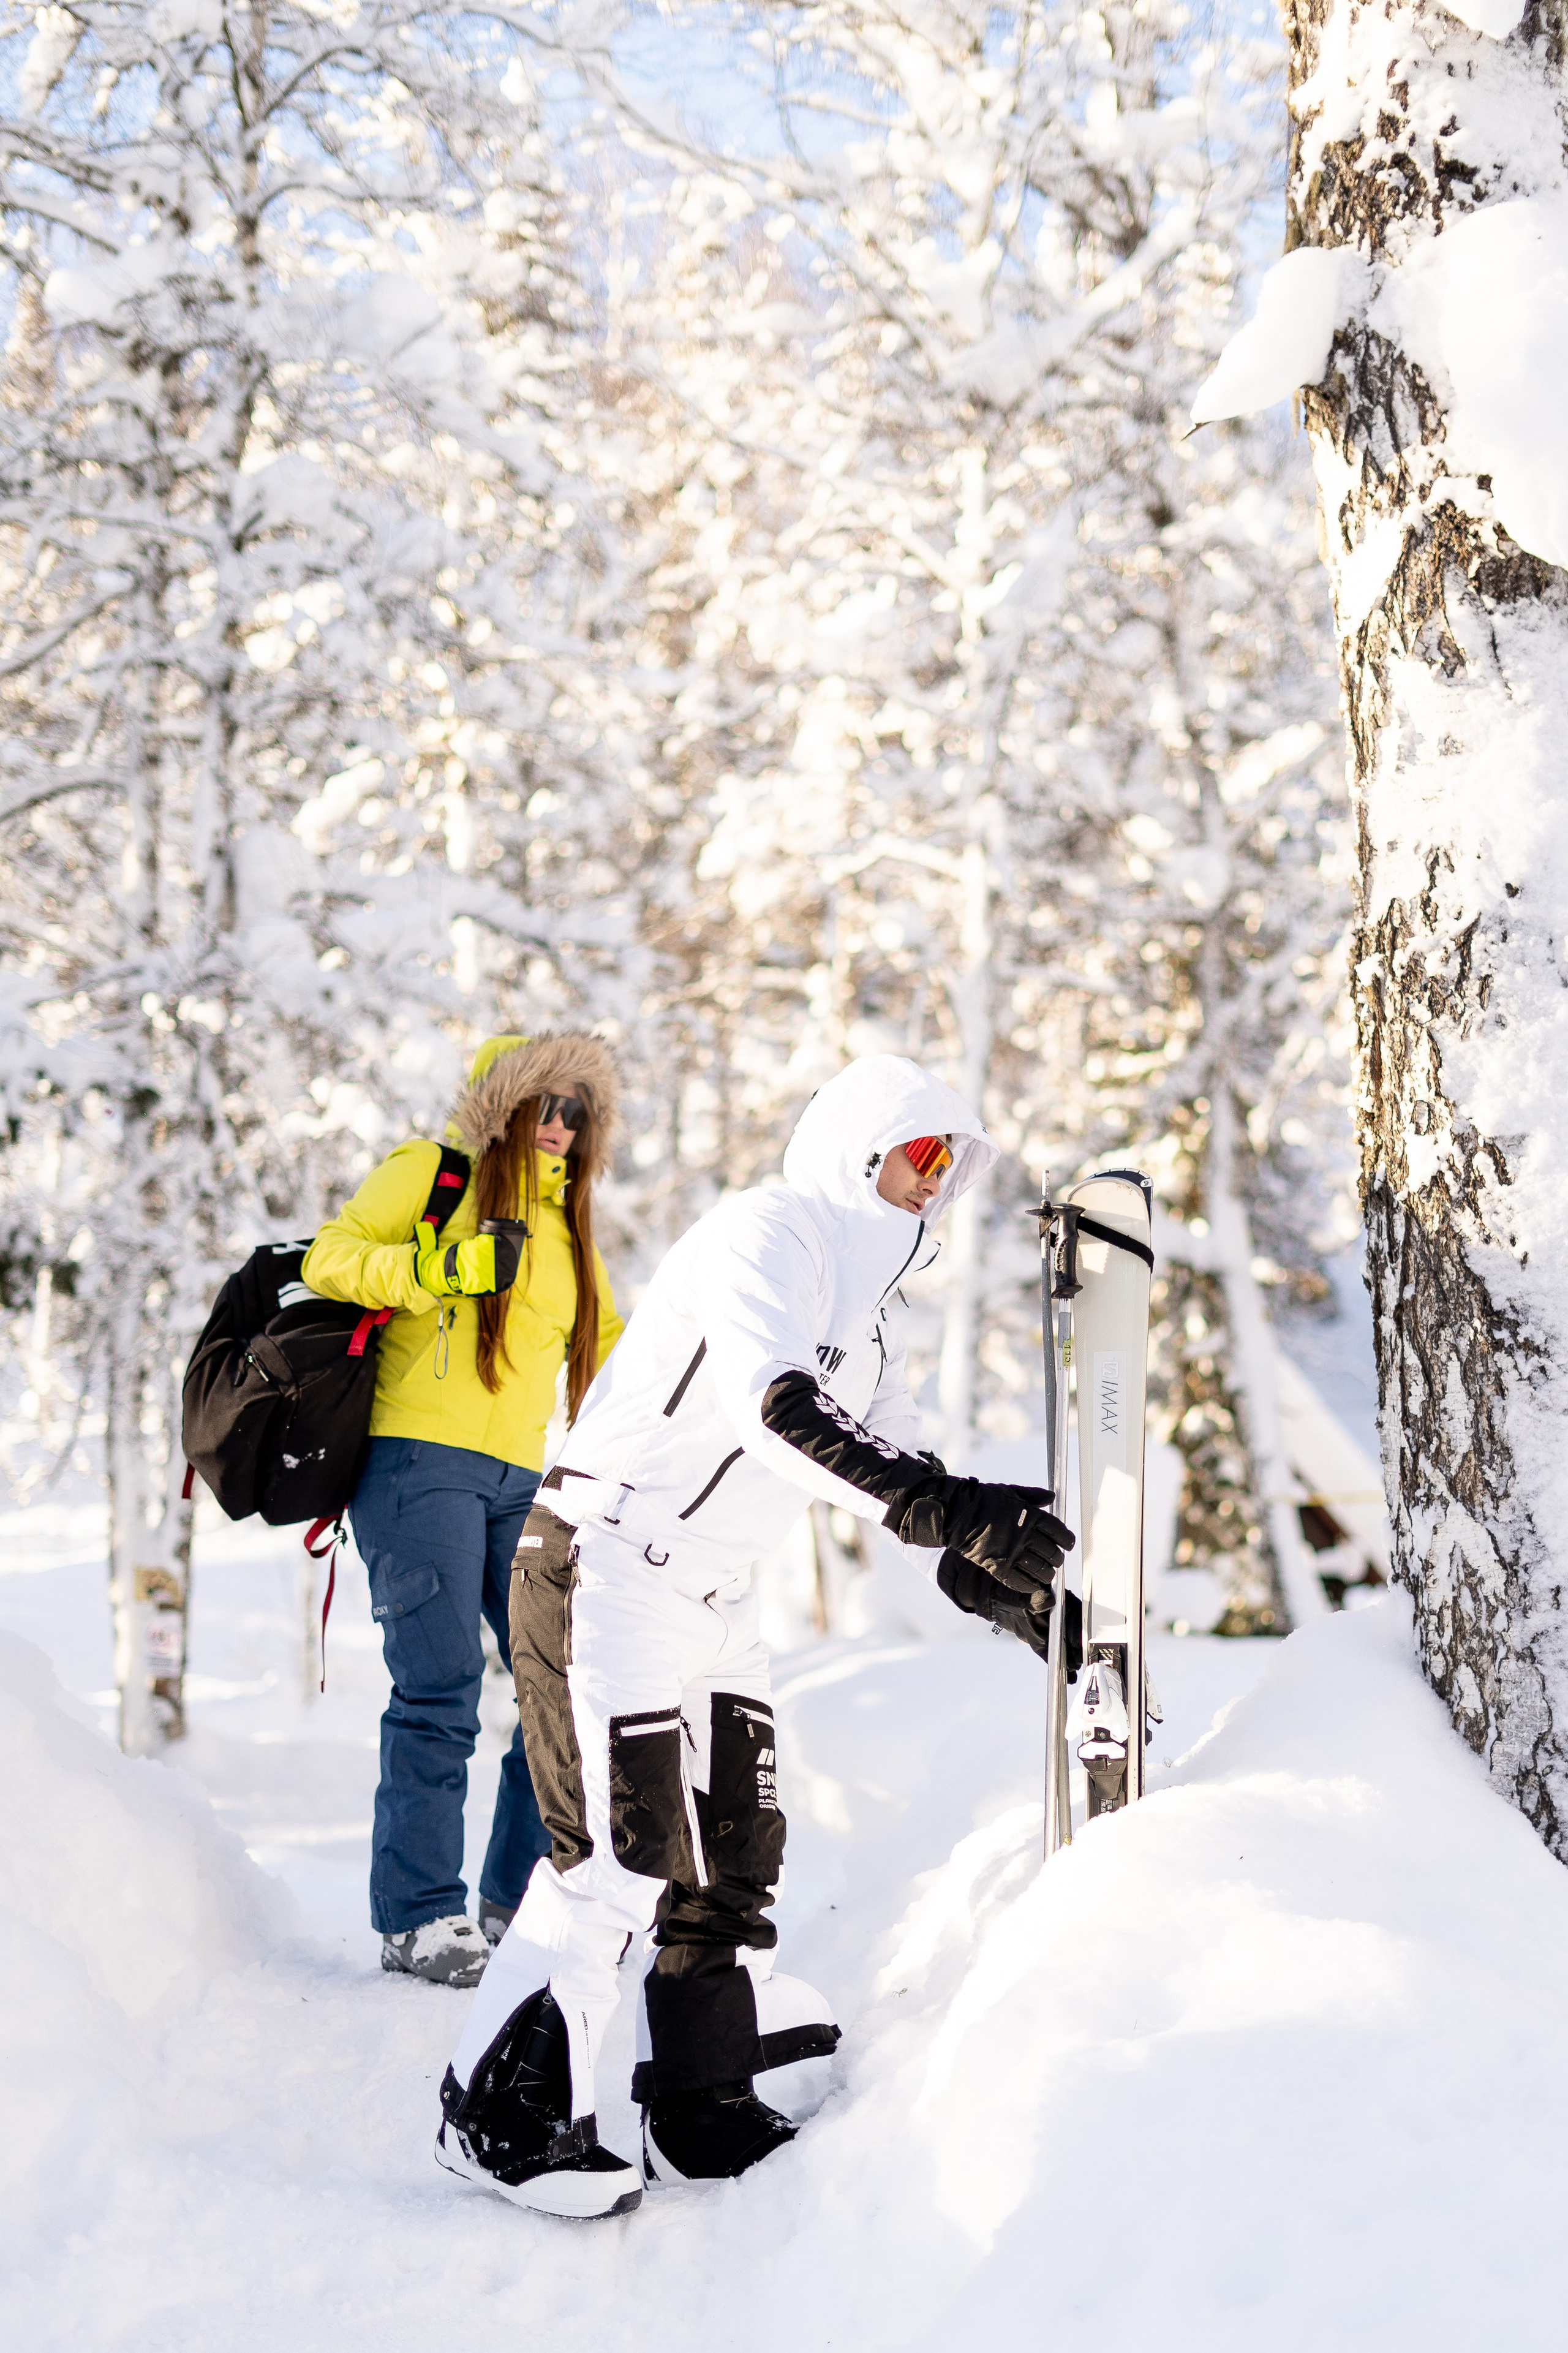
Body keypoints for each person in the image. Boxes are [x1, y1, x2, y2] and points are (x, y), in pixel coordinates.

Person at [431, 1054, 1073, 2219]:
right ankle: (495, 2117)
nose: (932, 1185)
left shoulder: (875, 1327)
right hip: (603, 1560)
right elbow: (774, 1408)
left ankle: (700, 2104)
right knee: (620, 1861)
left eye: (952, 1166)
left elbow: (901, 1470)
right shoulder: (769, 1236)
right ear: (854, 1151)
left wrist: (984, 1569)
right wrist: (948, 1509)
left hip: (716, 1595)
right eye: (916, 1156)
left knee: (735, 1854)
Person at [302, 1033, 624, 1988]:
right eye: (546, 1105)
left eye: (578, 1110)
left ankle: (513, 1901)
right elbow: (332, 1259)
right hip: (417, 1464)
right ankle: (418, 1916)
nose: (561, 1125)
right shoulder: (433, 1175)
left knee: (553, 1685)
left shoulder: (570, 1230)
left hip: (519, 1479)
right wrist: (440, 1271)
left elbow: (615, 1350)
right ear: (508, 1104)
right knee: (440, 1688)